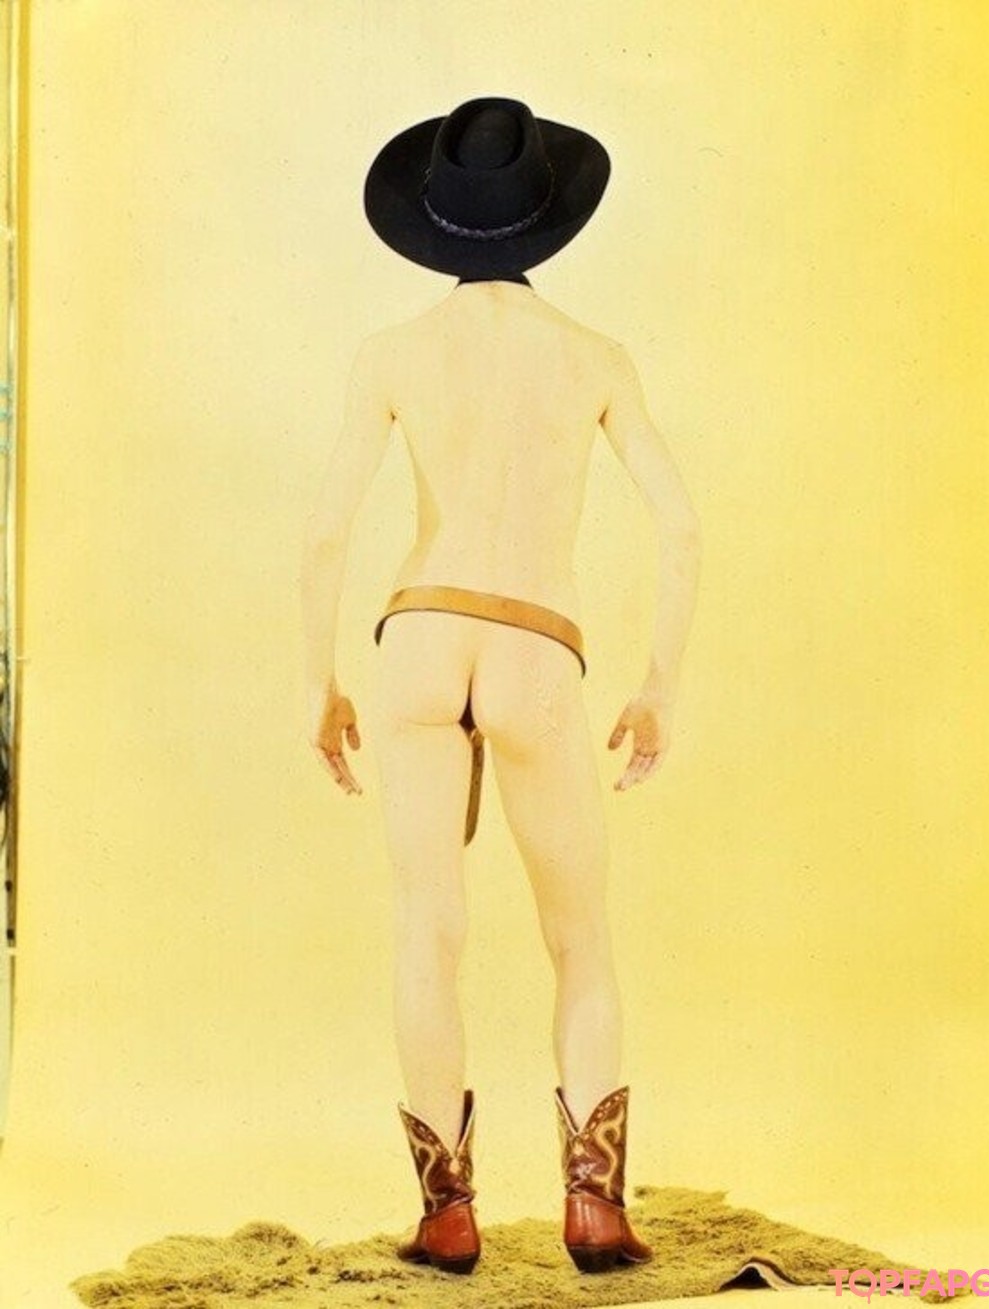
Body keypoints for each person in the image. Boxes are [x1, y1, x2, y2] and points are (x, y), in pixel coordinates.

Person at [301, 96, 701, 1276]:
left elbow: (326, 533)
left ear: (436, 221)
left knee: (427, 929)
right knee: (580, 938)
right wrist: (658, 685)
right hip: (537, 644)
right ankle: (596, 1209)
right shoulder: (597, 357)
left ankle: (446, 1215)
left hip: (418, 633)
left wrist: (320, 682)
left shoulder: (391, 352)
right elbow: (681, 526)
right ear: (546, 215)